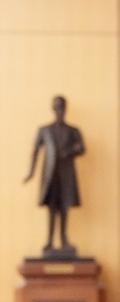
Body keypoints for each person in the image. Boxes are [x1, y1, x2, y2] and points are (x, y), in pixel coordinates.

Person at [24, 95, 85, 256]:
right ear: (53, 108)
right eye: (57, 107)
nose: (60, 110)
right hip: (50, 175)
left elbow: (82, 148)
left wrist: (69, 151)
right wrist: (31, 172)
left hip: (66, 175)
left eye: (62, 107)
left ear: (65, 108)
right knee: (51, 207)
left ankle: (64, 240)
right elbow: (35, 151)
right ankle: (50, 241)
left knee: (65, 207)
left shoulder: (73, 131)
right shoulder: (44, 130)